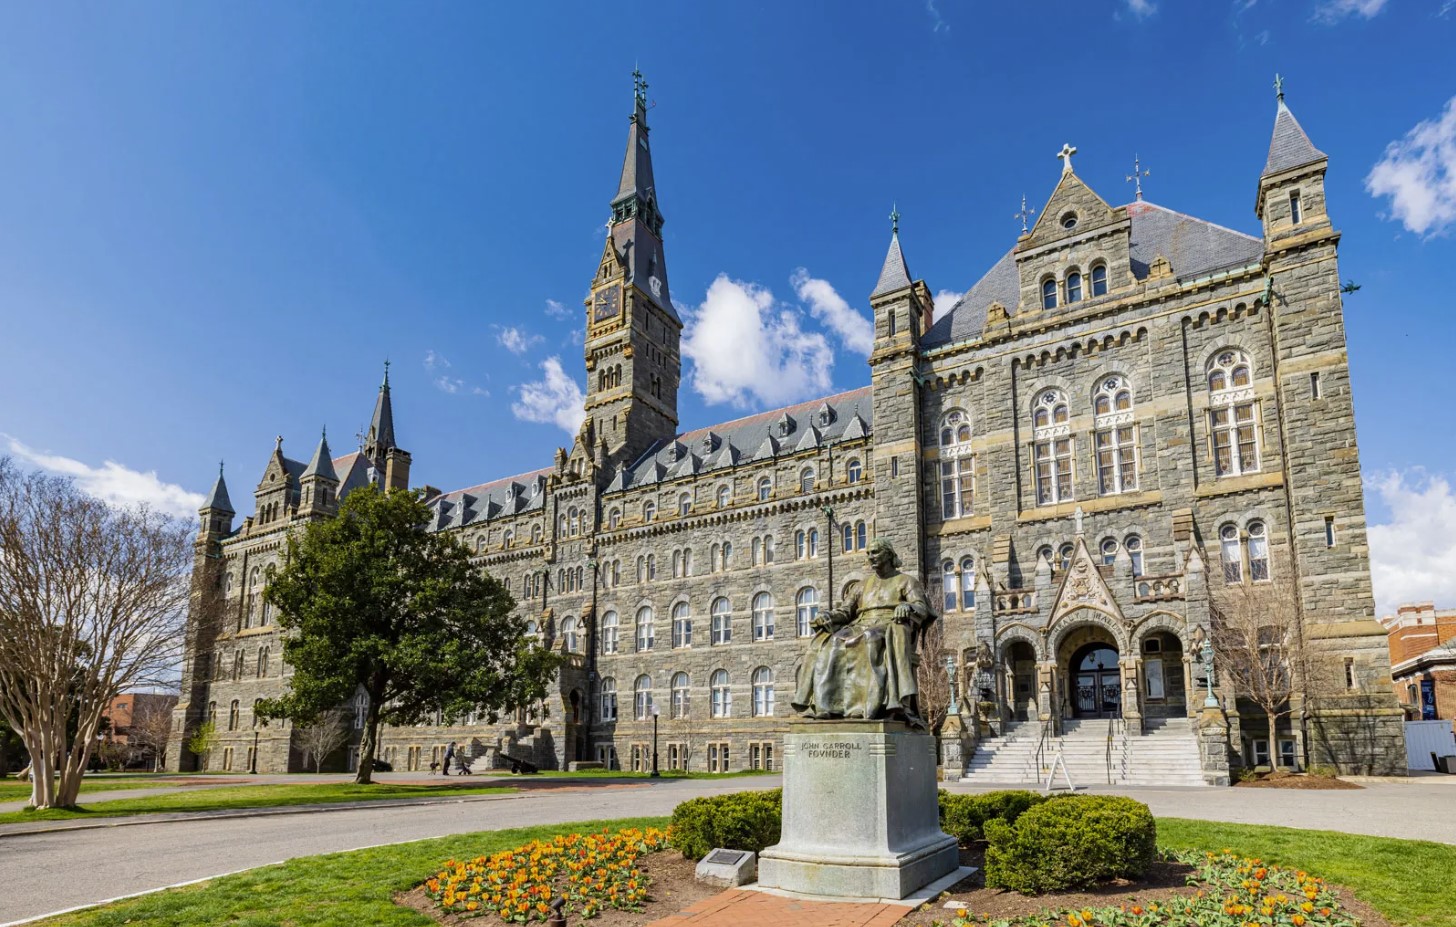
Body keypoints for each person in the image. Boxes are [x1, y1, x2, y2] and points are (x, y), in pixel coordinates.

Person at [791, 538, 934, 728]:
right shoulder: (861, 586)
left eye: (875, 552)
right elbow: (845, 611)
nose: (871, 557)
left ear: (889, 555)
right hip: (861, 623)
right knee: (833, 641)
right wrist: (827, 615)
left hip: (889, 624)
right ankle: (828, 706)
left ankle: (870, 707)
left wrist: (907, 607)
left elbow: (921, 608)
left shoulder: (906, 581)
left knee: (870, 638)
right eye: (868, 553)